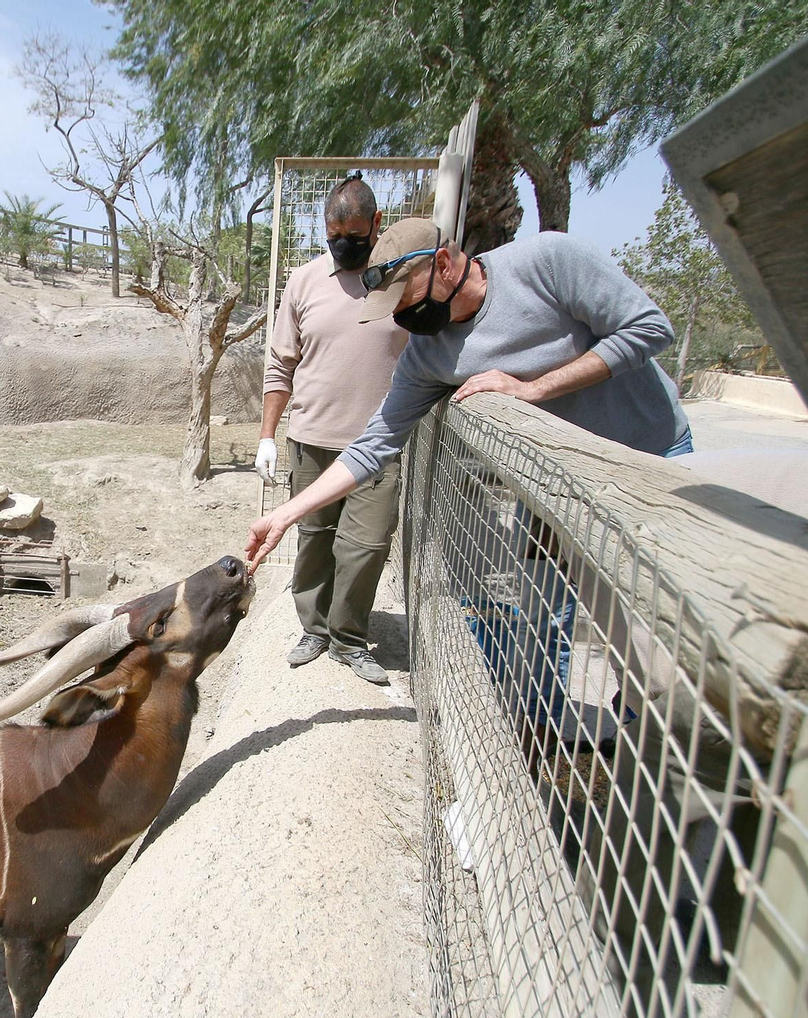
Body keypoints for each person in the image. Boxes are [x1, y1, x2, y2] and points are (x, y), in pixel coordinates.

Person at [246, 216, 692, 729]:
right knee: (547, 599)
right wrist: (286, 514)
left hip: (650, 456)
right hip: (553, 485)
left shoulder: (547, 261)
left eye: (406, 301)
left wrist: (533, 389)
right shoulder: (427, 355)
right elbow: (374, 445)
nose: (403, 318)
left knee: (659, 614)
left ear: (442, 264)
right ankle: (544, 722)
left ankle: (657, 719)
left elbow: (650, 328)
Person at [256, 174, 409, 684]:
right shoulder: (303, 281)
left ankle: (349, 637)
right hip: (311, 441)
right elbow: (280, 365)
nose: (344, 241)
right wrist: (266, 437)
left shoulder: (399, 282)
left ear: (376, 225)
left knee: (364, 547)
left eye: (355, 231)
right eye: (333, 231)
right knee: (315, 537)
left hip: (379, 445)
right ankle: (314, 629)